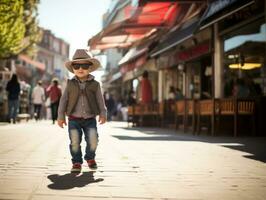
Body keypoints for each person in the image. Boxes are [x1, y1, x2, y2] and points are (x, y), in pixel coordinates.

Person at [57, 49, 107, 173]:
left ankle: (90, 158)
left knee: (93, 140)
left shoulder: (95, 85)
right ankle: (76, 162)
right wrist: (60, 116)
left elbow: (100, 100)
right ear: (73, 68)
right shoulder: (70, 84)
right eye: (76, 65)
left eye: (84, 66)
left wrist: (103, 113)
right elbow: (63, 101)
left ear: (90, 68)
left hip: (90, 119)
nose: (80, 69)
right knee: (74, 141)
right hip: (74, 119)